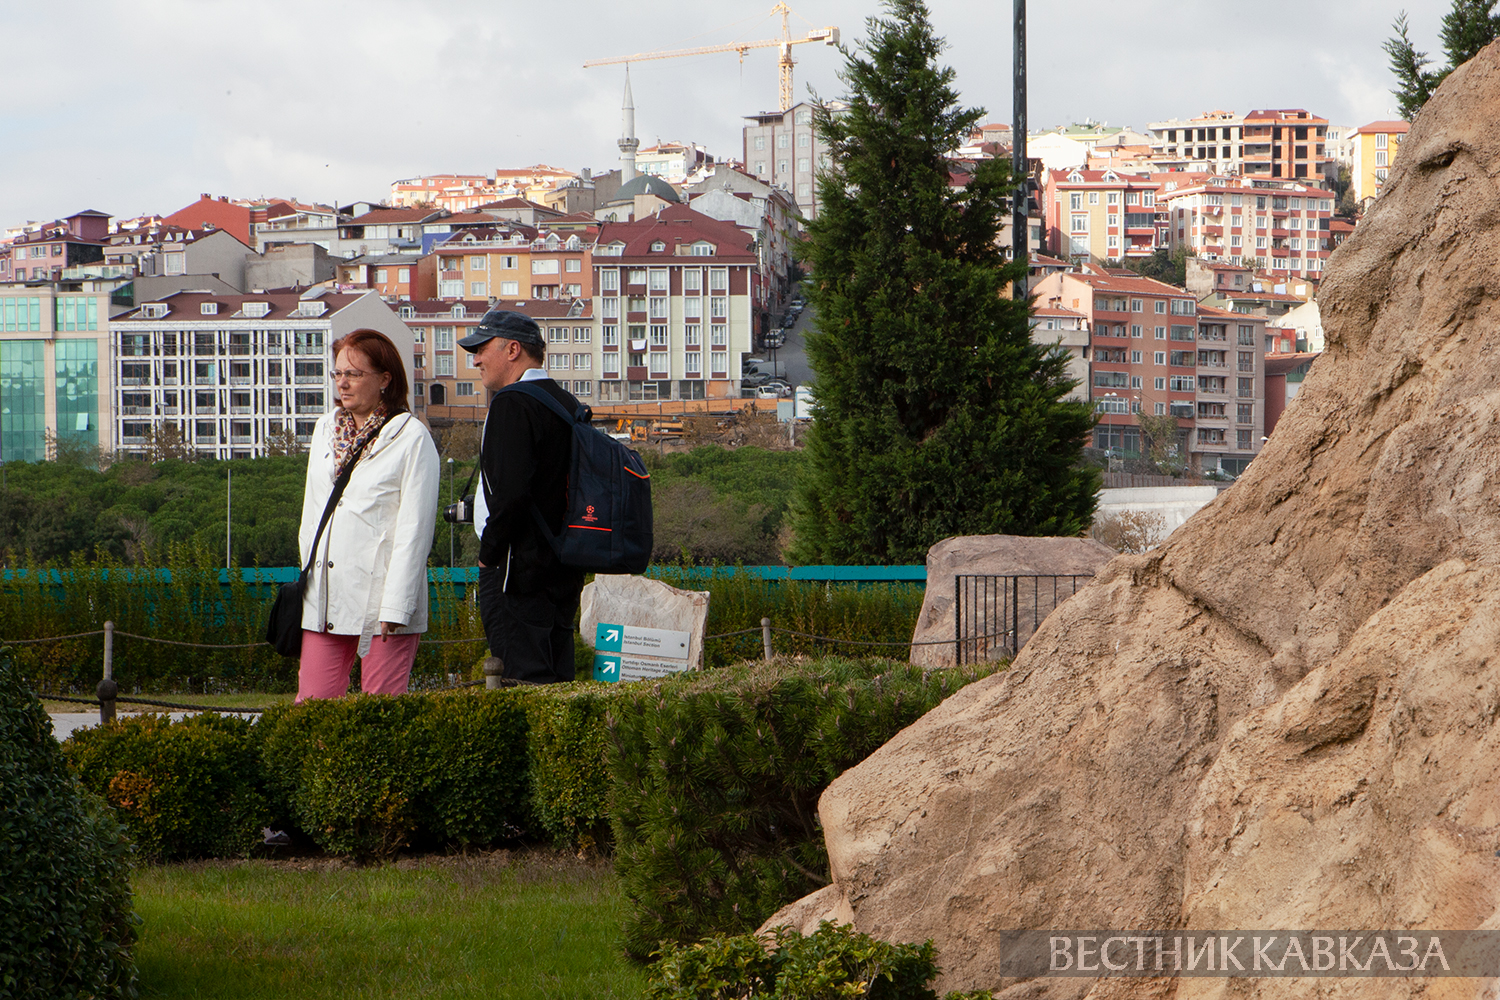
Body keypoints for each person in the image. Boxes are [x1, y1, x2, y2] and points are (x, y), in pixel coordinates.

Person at [295, 328, 439, 702]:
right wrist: (308, 581)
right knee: (312, 708)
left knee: (380, 714)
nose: (343, 383)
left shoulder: (411, 437)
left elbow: (414, 531)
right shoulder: (326, 430)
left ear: (385, 379)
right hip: (325, 596)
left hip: (383, 604)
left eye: (354, 374)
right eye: (338, 373)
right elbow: (312, 515)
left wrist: (396, 605)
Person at [460, 308, 584, 684]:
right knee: (557, 683)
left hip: (517, 571)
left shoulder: (512, 403)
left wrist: (488, 555)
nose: (476, 359)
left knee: (518, 681)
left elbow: (510, 495)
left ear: (513, 350)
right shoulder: (565, 403)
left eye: (482, 348)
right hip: (564, 566)